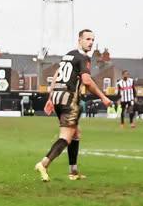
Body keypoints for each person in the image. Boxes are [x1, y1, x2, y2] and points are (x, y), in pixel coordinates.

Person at [35, 29, 112, 182]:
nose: (90, 42)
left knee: (75, 134)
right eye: (87, 39)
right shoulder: (83, 58)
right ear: (79, 40)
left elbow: (56, 74)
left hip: (57, 96)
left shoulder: (68, 55)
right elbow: (87, 81)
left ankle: (73, 171)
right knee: (66, 137)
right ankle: (43, 164)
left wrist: (50, 97)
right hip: (69, 99)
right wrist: (103, 97)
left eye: (92, 40)